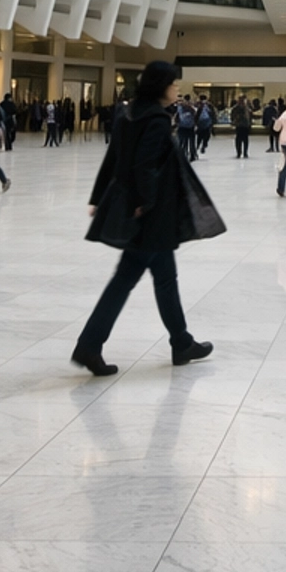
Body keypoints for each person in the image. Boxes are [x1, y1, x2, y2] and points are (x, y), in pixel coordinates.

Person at [73, 60, 213, 375]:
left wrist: (98, 197)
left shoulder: (129, 114)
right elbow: (144, 164)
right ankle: (174, 342)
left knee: (141, 279)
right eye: (174, 84)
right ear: (161, 87)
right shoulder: (156, 120)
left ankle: (177, 341)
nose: (177, 89)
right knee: (153, 280)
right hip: (152, 215)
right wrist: (144, 202)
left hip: (141, 212)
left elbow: (113, 157)